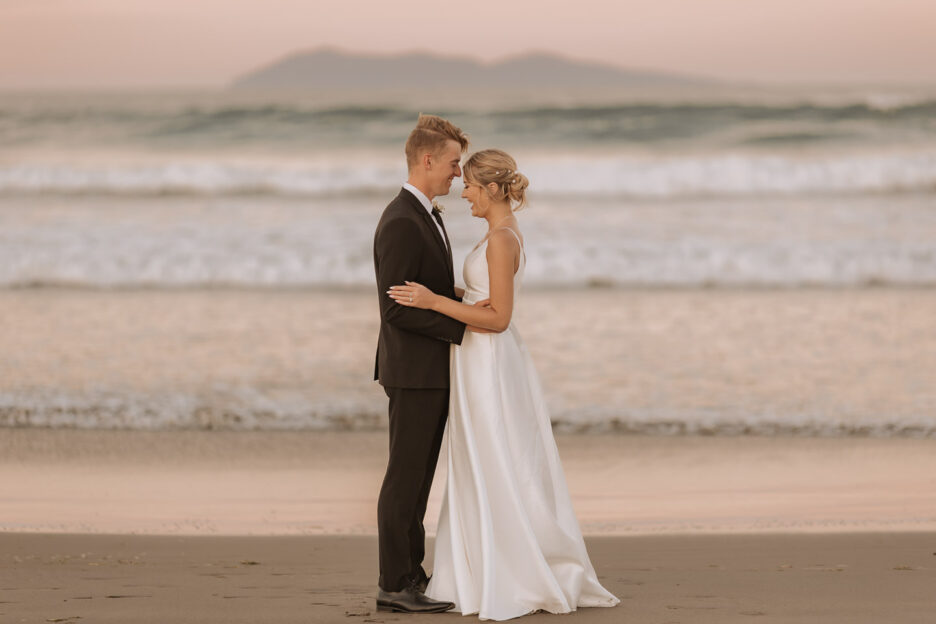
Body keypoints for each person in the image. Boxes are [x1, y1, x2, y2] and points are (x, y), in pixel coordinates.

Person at [388, 149, 621, 620]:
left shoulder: (500, 239)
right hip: (477, 358)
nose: (464, 192)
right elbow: (482, 298)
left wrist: (434, 302)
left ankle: (509, 569)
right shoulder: (499, 233)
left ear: (492, 189)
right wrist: (444, 294)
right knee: (482, 458)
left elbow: (497, 317)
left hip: (489, 359)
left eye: (471, 186)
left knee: (495, 457)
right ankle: (481, 564)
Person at [372, 114, 473, 614]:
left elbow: (426, 289)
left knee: (418, 481)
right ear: (427, 159)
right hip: (412, 373)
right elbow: (394, 309)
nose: (459, 173)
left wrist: (462, 300)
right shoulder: (400, 220)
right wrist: (462, 327)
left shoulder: (427, 214)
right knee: (405, 480)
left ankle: (412, 574)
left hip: (428, 371)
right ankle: (395, 582)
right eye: (454, 164)